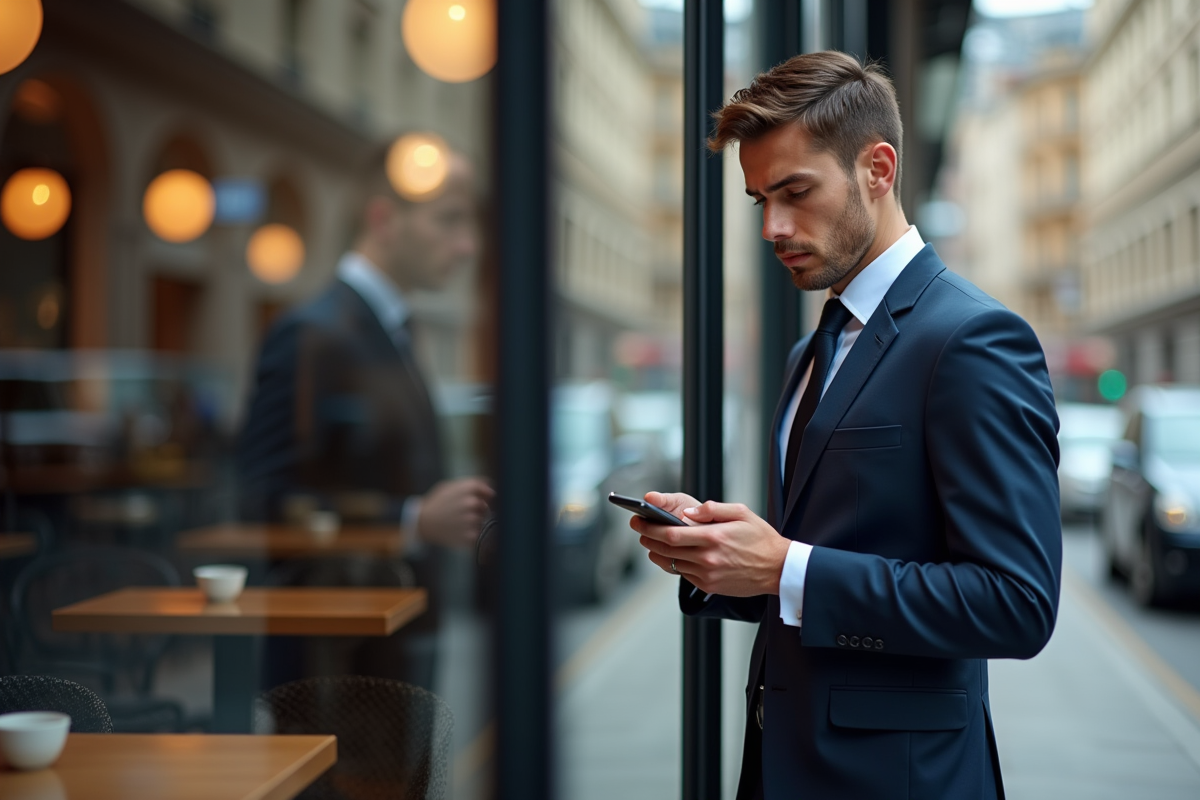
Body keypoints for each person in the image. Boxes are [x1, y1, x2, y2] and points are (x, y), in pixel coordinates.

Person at [632, 52, 1060, 799]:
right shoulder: (812, 348)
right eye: (759, 199)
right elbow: (822, 558)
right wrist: (713, 556)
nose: (773, 226)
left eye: (796, 191)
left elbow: (1016, 604)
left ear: (879, 167)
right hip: (782, 765)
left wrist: (784, 566)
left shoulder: (974, 339)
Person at [237, 143, 494, 690]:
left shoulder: (387, 327)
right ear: (383, 218)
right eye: (449, 220)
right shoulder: (313, 333)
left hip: (384, 649)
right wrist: (411, 519)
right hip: (333, 667)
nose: (468, 245)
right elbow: (261, 498)